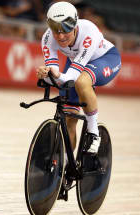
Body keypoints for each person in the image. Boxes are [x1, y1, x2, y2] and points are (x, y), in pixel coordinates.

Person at [36, 1, 121, 155]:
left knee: (82, 82)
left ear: (75, 25)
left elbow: (72, 76)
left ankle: (94, 133)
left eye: (66, 29)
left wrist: (56, 76)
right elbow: (56, 75)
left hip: (105, 59)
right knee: (69, 118)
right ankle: (67, 164)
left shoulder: (89, 32)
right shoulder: (47, 37)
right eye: (56, 30)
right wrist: (47, 73)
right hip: (76, 61)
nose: (61, 36)